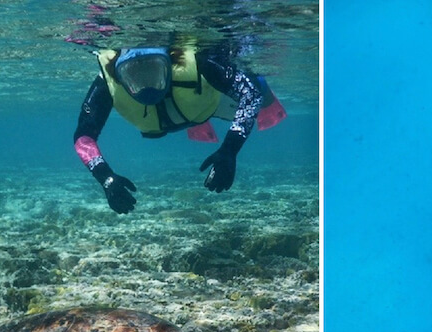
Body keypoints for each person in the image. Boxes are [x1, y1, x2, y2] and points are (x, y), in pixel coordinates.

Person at [73, 46, 287, 213]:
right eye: (134, 75)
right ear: (118, 74)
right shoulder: (106, 82)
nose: (147, 85)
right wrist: (105, 177)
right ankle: (196, 119)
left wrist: (230, 150)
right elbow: (83, 136)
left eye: (154, 71)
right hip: (193, 106)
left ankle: (204, 113)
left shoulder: (199, 62)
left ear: (169, 66)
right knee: (216, 103)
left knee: (255, 85)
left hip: (209, 101)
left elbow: (250, 96)